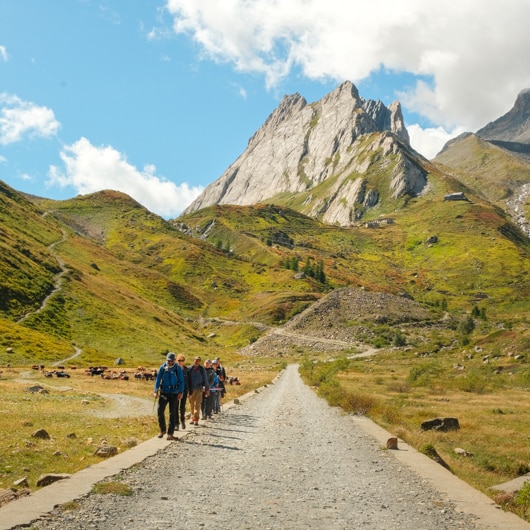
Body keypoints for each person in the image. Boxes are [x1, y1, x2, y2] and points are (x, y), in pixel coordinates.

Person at [154, 352, 184, 440]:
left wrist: (181, 392)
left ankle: (170, 433)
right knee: (160, 411)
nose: (170, 362)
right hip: (164, 392)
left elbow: (181, 381)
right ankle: (162, 430)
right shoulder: (162, 367)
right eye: (168, 360)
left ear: (174, 360)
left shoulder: (177, 368)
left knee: (173, 413)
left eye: (171, 361)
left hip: (174, 393)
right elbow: (158, 379)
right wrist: (156, 391)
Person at [187, 355, 209, 426]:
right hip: (191, 389)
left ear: (200, 362)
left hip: (199, 389)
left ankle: (196, 419)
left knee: (198, 404)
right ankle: (192, 418)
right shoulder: (189, 369)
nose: (197, 362)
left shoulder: (202, 369)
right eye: (196, 360)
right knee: (192, 404)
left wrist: (207, 389)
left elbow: (205, 380)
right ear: (193, 360)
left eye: (198, 361)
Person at [176, 354, 189, 429]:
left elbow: (189, 380)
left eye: (182, 360)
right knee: (175, 407)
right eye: (179, 360)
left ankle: (183, 421)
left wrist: (190, 391)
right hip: (176, 390)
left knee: (182, 407)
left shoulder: (187, 370)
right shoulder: (175, 369)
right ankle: (176, 423)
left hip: (184, 390)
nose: (180, 362)